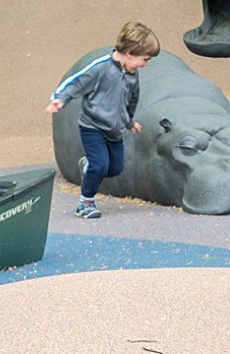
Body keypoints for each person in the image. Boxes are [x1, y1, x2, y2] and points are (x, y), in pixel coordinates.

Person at [45, 21, 160, 219]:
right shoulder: (101, 68)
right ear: (130, 53)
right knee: (100, 166)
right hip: (93, 126)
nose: (145, 64)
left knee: (115, 168)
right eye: (145, 59)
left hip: (115, 130)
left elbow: (131, 100)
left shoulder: (133, 75)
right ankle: (85, 203)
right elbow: (76, 82)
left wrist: (129, 121)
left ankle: (88, 166)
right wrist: (59, 99)